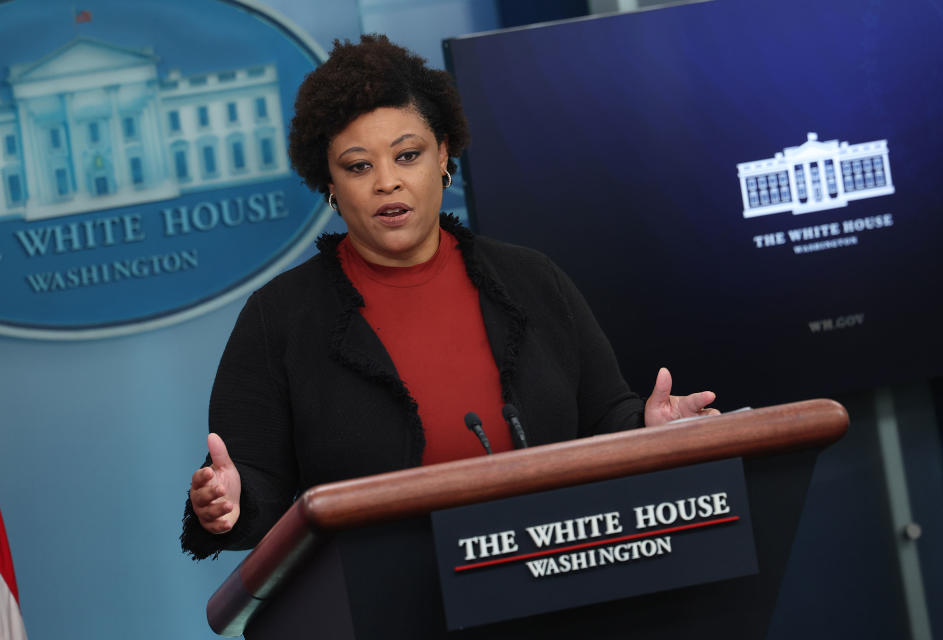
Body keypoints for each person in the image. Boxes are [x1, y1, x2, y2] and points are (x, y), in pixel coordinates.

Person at [181, 35, 718, 560]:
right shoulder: (279, 317)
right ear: (330, 183)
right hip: (386, 597)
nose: (387, 183)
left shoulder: (532, 279)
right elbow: (254, 479)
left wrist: (649, 430)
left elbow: (603, 418)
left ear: (443, 154)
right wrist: (230, 500)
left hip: (558, 573)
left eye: (407, 155)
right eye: (358, 166)